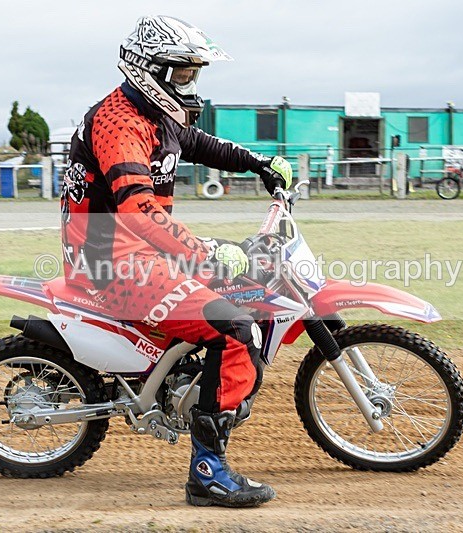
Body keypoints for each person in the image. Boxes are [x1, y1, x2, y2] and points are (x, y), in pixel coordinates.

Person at [59, 15, 292, 507]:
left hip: (140, 246)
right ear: (151, 69)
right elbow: (137, 207)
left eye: (194, 73)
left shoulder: (155, 113)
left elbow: (201, 145)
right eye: (184, 73)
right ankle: (207, 472)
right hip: (113, 261)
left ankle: (182, 381)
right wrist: (205, 251)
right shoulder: (119, 123)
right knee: (235, 329)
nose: (192, 83)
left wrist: (259, 163)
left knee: (247, 281)